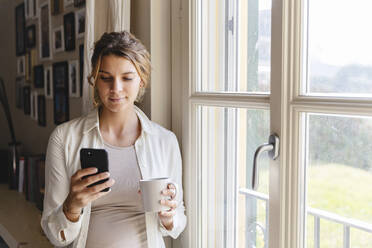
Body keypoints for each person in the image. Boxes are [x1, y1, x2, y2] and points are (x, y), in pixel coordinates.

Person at [41, 31, 187, 248]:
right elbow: (55, 236)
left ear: (142, 80)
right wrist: (71, 207)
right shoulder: (64, 138)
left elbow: (178, 224)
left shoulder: (165, 141)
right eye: (105, 77)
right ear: (94, 79)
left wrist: (167, 216)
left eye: (127, 78)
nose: (115, 89)